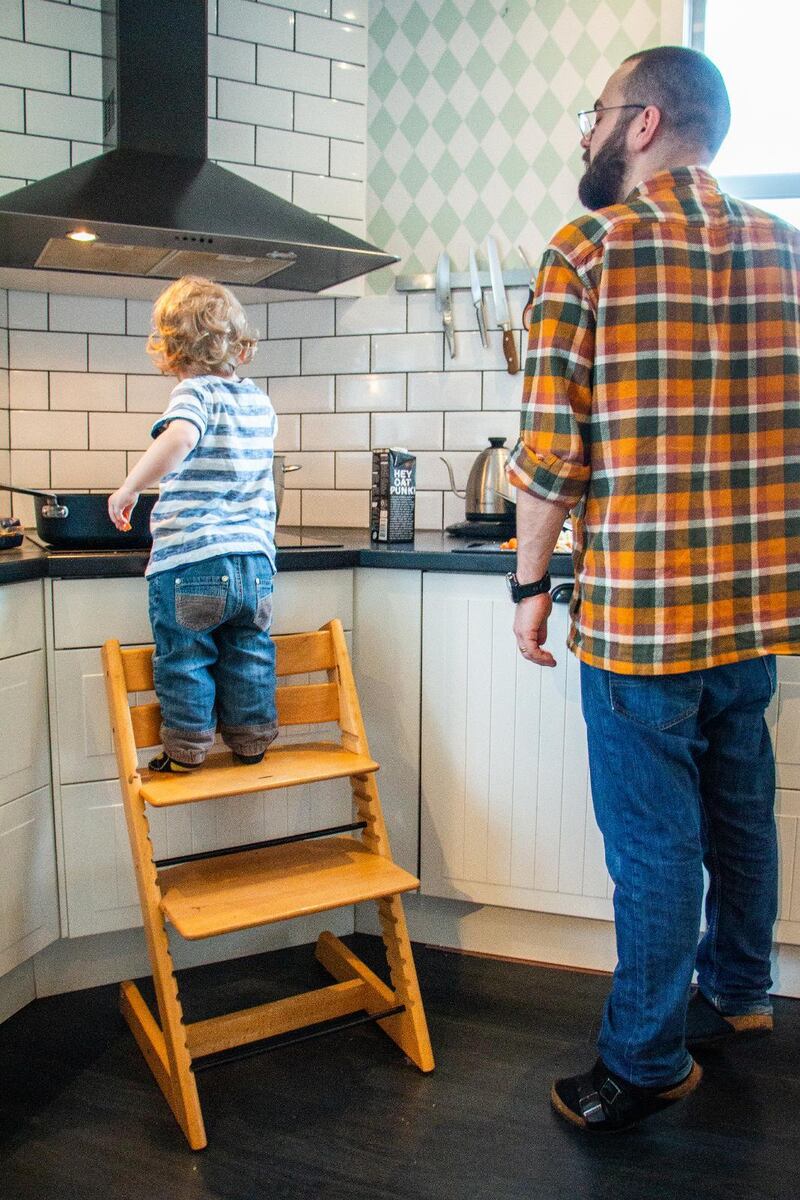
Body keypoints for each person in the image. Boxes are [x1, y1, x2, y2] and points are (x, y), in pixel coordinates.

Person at [506, 45, 800, 1132]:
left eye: (592, 115)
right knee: (740, 814)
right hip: (755, 610)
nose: (582, 134)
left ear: (640, 123)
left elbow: (547, 457)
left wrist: (527, 586)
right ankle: (736, 994)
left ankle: (641, 1062)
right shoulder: (786, 250)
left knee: (654, 847)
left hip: (643, 617)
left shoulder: (586, 248)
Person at [109, 276, 279, 773]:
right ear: (235, 342)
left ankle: (186, 750)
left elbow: (180, 438)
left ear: (171, 347)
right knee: (250, 654)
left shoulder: (194, 392)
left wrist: (131, 487)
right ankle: (250, 742)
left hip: (193, 560)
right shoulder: (258, 402)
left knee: (185, 657)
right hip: (255, 562)